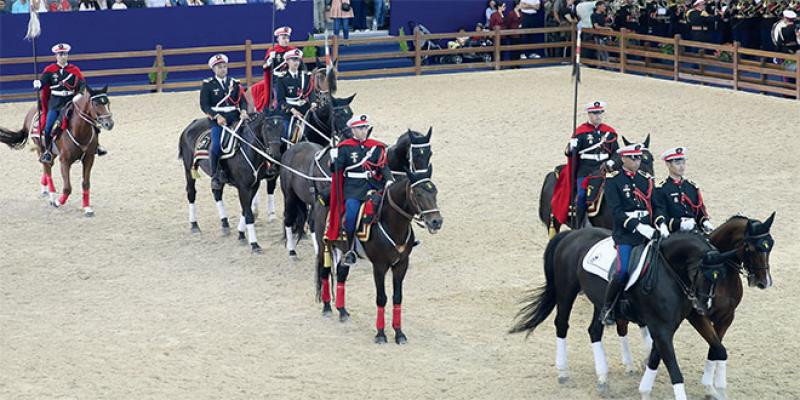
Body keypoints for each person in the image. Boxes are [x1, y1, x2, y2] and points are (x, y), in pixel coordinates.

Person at [600, 143, 668, 325]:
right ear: (623, 159)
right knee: (622, 271)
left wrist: (660, 222)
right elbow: (616, 211)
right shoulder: (613, 180)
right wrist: (638, 226)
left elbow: (657, 205)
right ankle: (608, 307)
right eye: (633, 158)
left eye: (639, 158)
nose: (637, 162)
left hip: (650, 232)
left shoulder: (646, 179)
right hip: (626, 234)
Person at [327, 115, 394, 266]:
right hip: (353, 189)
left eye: (365, 128)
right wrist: (333, 160)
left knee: (394, 206)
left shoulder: (376, 147)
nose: (363, 131)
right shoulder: (344, 147)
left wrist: (389, 179)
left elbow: (383, 167)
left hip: (373, 185)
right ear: (352, 130)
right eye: (360, 128)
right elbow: (337, 169)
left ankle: (401, 240)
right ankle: (350, 249)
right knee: (351, 216)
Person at [199, 53, 249, 190]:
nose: (223, 69)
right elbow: (204, 105)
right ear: (214, 69)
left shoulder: (234, 83)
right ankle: (215, 176)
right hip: (218, 120)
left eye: (224, 66)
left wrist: (244, 111)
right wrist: (216, 116)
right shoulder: (208, 84)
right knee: (216, 146)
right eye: (219, 67)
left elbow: (243, 100)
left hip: (235, 117)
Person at [566, 101, 619, 227]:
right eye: (594, 113)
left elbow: (617, 152)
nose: (598, 116)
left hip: (605, 170)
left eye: (600, 113)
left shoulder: (609, 132)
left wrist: (612, 161)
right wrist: (571, 147)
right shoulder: (580, 132)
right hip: (586, 170)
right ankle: (579, 225)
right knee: (581, 196)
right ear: (589, 114)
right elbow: (570, 153)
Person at [34, 43, 86, 165]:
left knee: (87, 120)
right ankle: (47, 151)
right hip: (55, 104)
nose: (63, 56)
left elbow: (82, 84)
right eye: (60, 54)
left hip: (70, 104)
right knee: (48, 128)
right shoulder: (50, 71)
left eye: (65, 54)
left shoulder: (74, 70)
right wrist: (38, 84)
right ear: (56, 56)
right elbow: (43, 83)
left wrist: (79, 94)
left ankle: (94, 146)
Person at [654, 147, 713, 233]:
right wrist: (679, 224)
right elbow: (661, 213)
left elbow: (699, 211)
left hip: (695, 230)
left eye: (683, 163)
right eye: (677, 163)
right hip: (674, 233)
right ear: (668, 164)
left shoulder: (691, 187)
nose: (681, 166)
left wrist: (705, 221)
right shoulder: (662, 189)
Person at [275, 49, 313, 140]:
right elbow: (281, 100)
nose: (296, 62)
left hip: (304, 109)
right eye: (293, 60)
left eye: (298, 60)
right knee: (285, 133)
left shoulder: (305, 76)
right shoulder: (282, 78)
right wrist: (293, 111)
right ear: (287, 61)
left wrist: (313, 102)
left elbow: (310, 92)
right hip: (289, 111)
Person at [262, 26, 297, 111]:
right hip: (278, 79)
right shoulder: (273, 50)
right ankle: (278, 111)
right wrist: (270, 61)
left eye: (288, 38)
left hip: (291, 78)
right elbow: (264, 67)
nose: (286, 40)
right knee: (279, 97)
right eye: (283, 38)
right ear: (278, 39)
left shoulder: (292, 50)